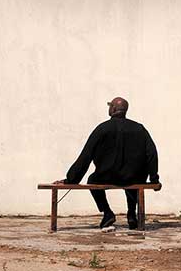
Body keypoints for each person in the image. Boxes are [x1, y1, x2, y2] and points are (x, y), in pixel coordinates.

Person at [55, 96, 160, 230]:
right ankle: (131, 215)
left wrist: (71, 179)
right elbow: (152, 153)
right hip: (133, 177)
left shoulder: (102, 129)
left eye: (110, 106)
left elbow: (86, 155)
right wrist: (154, 179)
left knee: (92, 180)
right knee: (133, 180)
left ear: (114, 109)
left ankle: (107, 212)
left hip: (107, 176)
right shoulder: (139, 129)